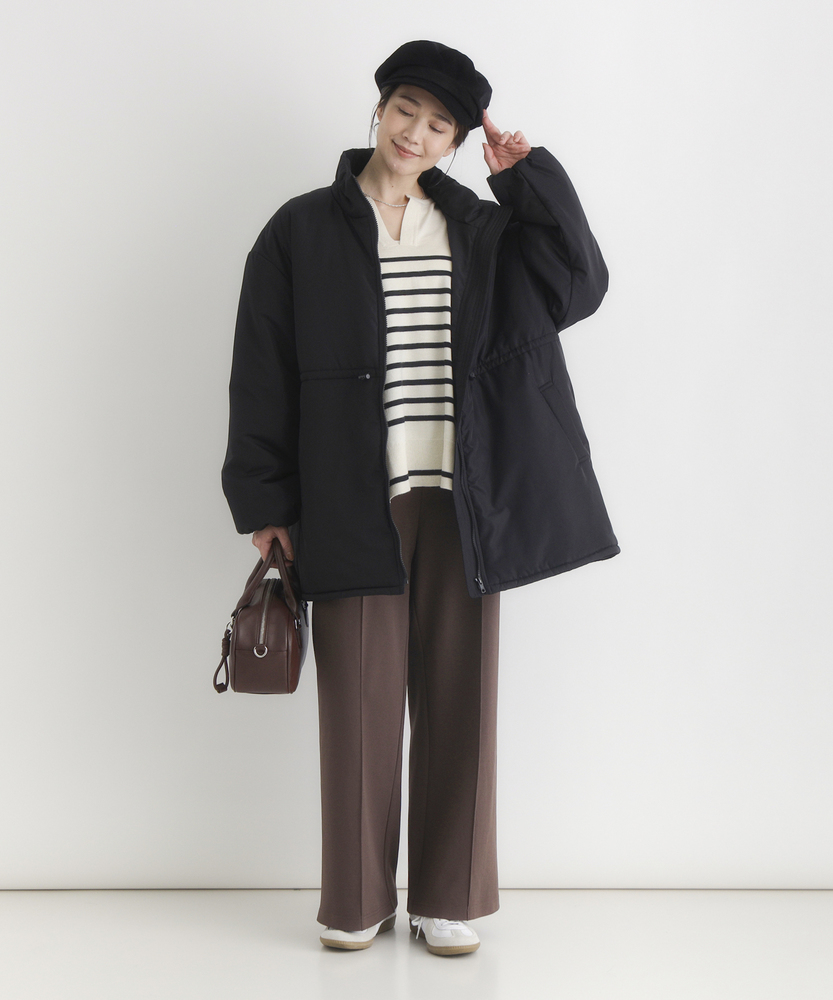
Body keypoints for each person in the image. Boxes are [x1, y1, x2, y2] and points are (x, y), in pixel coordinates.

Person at [221, 39, 619, 956]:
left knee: (459, 694)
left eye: (441, 124)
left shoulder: (481, 228)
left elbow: (579, 282)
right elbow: (260, 366)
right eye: (406, 109)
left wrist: (526, 181)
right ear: (379, 108)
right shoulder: (299, 230)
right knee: (356, 705)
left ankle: (449, 896)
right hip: (349, 495)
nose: (416, 133)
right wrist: (265, 499)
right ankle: (356, 898)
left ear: (457, 142)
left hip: (463, 494)